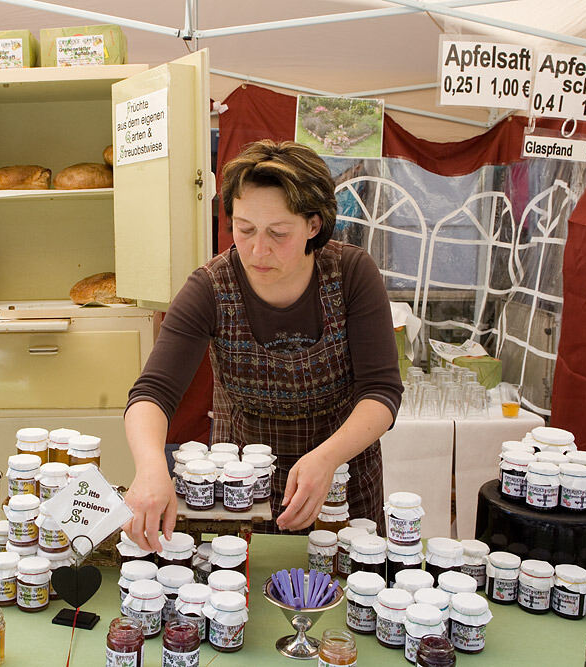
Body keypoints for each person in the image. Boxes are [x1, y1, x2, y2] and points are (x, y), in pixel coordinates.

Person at [122, 140, 403, 551]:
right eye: (245, 229)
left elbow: (382, 391)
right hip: (241, 487)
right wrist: (150, 467)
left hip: (342, 479)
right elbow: (152, 393)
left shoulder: (351, 274)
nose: (258, 250)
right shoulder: (210, 287)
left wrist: (326, 459)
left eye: (278, 233)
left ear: (314, 225)